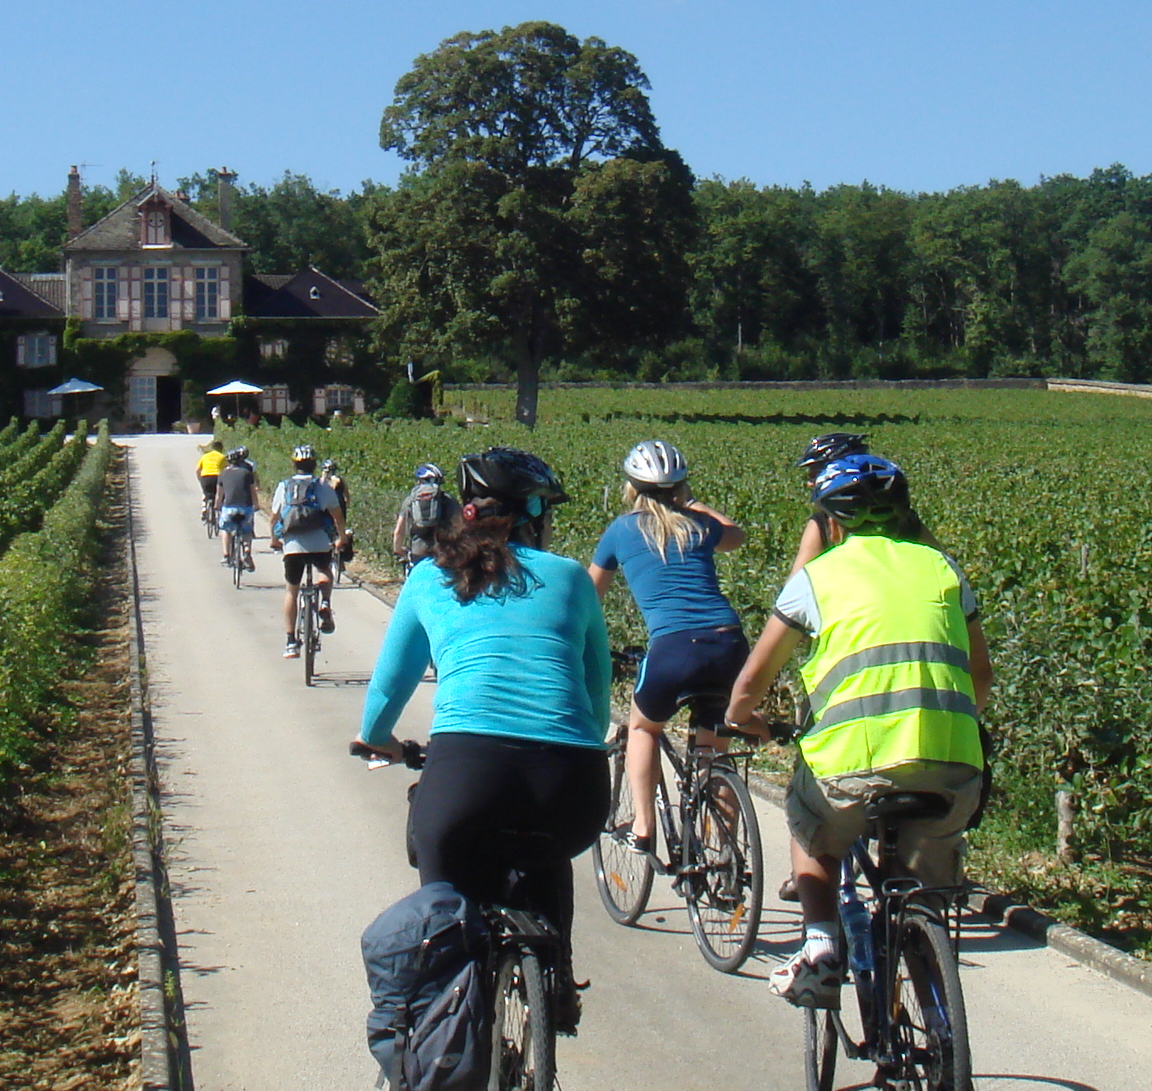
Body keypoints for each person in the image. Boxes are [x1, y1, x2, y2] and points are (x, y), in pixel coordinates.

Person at [358, 447, 611, 1036]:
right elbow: (596, 705)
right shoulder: (572, 579)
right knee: (544, 852)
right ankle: (557, 973)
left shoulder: (430, 577)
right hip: (572, 786)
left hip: (466, 777)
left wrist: (377, 741)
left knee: (442, 928)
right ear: (533, 517)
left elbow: (386, 691)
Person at [726, 453, 990, 1007]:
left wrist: (741, 719)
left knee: (808, 833)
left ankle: (819, 945)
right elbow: (981, 680)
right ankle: (938, 1024)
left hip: (850, 766)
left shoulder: (816, 579)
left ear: (832, 523)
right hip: (953, 764)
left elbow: (753, 680)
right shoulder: (944, 568)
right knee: (922, 892)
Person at [586, 439, 747, 854]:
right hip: (729, 643)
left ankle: (643, 827)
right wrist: (693, 503)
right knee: (715, 750)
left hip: (675, 648)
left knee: (642, 727)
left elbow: (588, 597)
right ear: (680, 486)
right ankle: (726, 859)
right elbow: (737, 537)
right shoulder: (700, 525)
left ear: (631, 488)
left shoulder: (621, 531)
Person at [269, 445, 343, 649]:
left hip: (293, 545)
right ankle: (325, 603)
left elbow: (274, 517)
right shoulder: (322, 487)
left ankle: (291, 641)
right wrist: (341, 538)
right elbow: (338, 516)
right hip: (319, 542)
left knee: (291, 591)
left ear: (294, 465)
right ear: (314, 465)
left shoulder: (284, 486)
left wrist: (274, 540)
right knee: (324, 570)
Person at [787, 431, 872, 573]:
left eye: (814, 475)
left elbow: (797, 583)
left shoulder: (822, 524)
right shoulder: (904, 518)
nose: (809, 483)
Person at [390, 464, 452, 568]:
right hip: (443, 552)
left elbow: (399, 531)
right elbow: (460, 526)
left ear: (419, 481)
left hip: (418, 551)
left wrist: (398, 549)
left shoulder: (411, 500)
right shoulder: (449, 500)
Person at [214, 445, 260, 567]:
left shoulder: (223, 474)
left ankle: (226, 555)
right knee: (247, 531)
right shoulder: (246, 473)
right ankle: (246, 553)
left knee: (226, 529)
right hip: (245, 507)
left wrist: (217, 505)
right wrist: (256, 505)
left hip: (229, 507)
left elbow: (219, 494)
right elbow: (252, 491)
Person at [321, 458, 357, 568]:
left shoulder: (330, 481)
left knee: (332, 530)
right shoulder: (338, 480)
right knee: (338, 528)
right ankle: (336, 555)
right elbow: (347, 495)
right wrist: (346, 504)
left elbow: (339, 491)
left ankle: (337, 556)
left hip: (332, 509)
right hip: (338, 509)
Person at [196, 437, 229, 527]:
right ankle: (221, 513)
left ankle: (204, 510)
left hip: (205, 477)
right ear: (221, 449)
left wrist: (200, 479)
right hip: (217, 477)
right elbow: (227, 470)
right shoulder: (222, 457)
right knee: (221, 494)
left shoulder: (205, 456)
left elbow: (198, 470)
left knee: (205, 493)